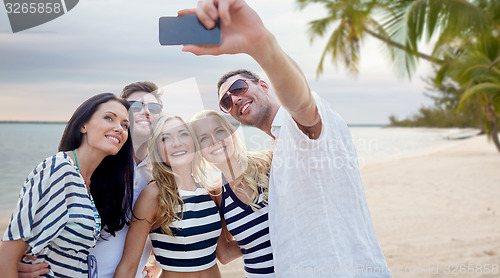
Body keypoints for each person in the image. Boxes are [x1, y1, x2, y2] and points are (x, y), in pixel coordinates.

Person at [179, 1, 392, 277]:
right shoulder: (278, 151)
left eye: (240, 87)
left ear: (264, 85)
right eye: (226, 101)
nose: (235, 99)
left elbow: (302, 103)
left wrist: (261, 45)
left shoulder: (296, 127)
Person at [16, 82, 163, 278]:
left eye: (153, 107)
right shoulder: (94, 161)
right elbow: (27, 227)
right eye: (135, 106)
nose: (145, 112)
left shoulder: (161, 172)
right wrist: (20, 259)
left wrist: (156, 258)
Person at [0, 93, 134, 277]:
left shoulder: (86, 182)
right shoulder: (60, 169)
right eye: (109, 118)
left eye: (124, 125)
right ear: (83, 125)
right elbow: (6, 255)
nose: (119, 128)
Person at [114, 114, 224, 277]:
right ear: (157, 150)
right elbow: (128, 266)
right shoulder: (153, 195)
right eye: (166, 139)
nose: (177, 143)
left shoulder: (210, 191)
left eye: (183, 134)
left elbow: (226, 252)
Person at [190, 110, 274, 277]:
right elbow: (225, 254)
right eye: (204, 138)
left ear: (232, 134)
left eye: (219, 131)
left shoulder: (269, 163)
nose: (214, 141)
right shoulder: (216, 195)